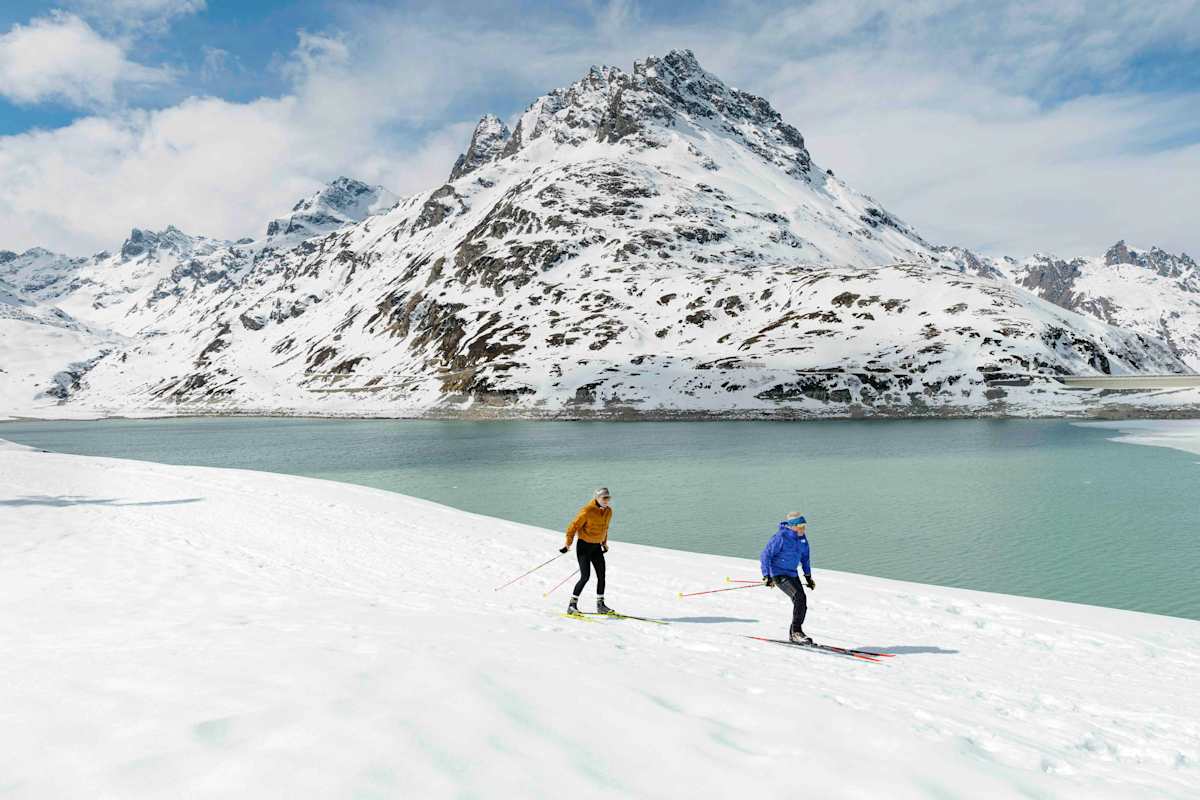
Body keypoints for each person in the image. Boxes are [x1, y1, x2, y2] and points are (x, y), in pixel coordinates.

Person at [760, 512, 817, 644]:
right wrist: (766, 576)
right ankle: (796, 632)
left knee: (801, 601)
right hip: (778, 573)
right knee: (799, 597)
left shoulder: (802, 539)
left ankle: (794, 633)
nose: (803, 528)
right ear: (792, 526)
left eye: (804, 525)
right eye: (800, 526)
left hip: (792, 573)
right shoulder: (781, 537)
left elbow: (805, 558)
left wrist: (808, 576)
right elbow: (765, 555)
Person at [560, 487, 613, 615]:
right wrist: (568, 544)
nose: (606, 500)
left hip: (596, 547)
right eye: (604, 498)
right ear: (597, 498)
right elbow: (573, 526)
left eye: (608, 498)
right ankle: (572, 606)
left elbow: (605, 528)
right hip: (584, 546)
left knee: (602, 575)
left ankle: (600, 605)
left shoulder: (609, 511)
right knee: (585, 576)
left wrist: (604, 543)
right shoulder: (587, 510)